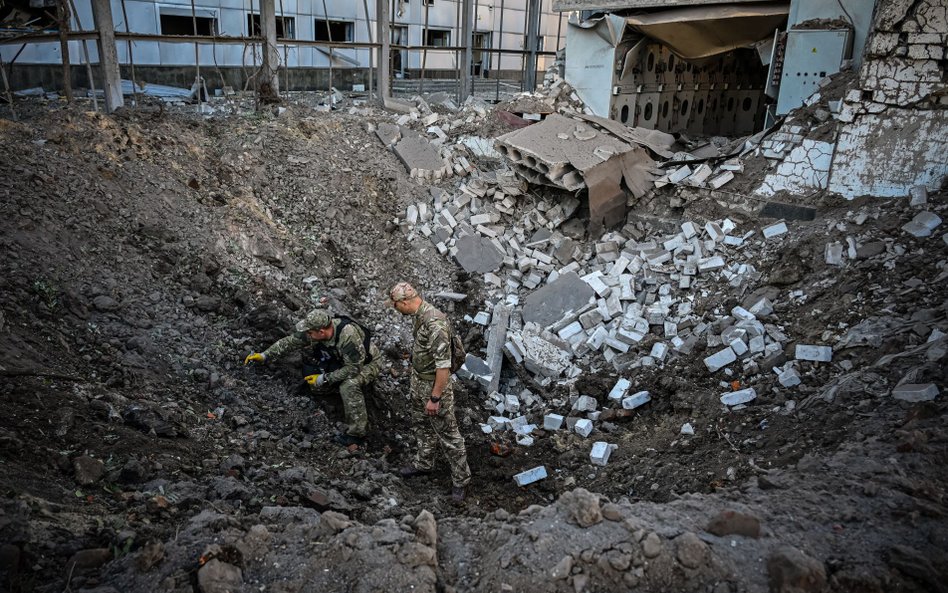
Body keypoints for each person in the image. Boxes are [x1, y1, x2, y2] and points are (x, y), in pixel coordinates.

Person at [244, 308, 380, 447]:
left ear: (321, 332)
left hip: (366, 364)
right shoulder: (316, 333)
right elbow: (291, 342)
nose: (307, 335)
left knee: (349, 385)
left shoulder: (348, 336)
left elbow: (353, 369)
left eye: (310, 332)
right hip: (341, 361)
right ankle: (334, 392)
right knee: (314, 380)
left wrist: (324, 378)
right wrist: (265, 355)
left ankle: (356, 435)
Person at [389, 282, 471, 503]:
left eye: (396, 306)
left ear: (404, 302)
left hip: (435, 387)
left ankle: (460, 481)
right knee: (421, 424)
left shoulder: (434, 324)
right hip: (419, 381)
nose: (396, 310)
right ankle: (424, 464)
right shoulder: (419, 315)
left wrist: (435, 398)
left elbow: (443, 368)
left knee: (449, 435)